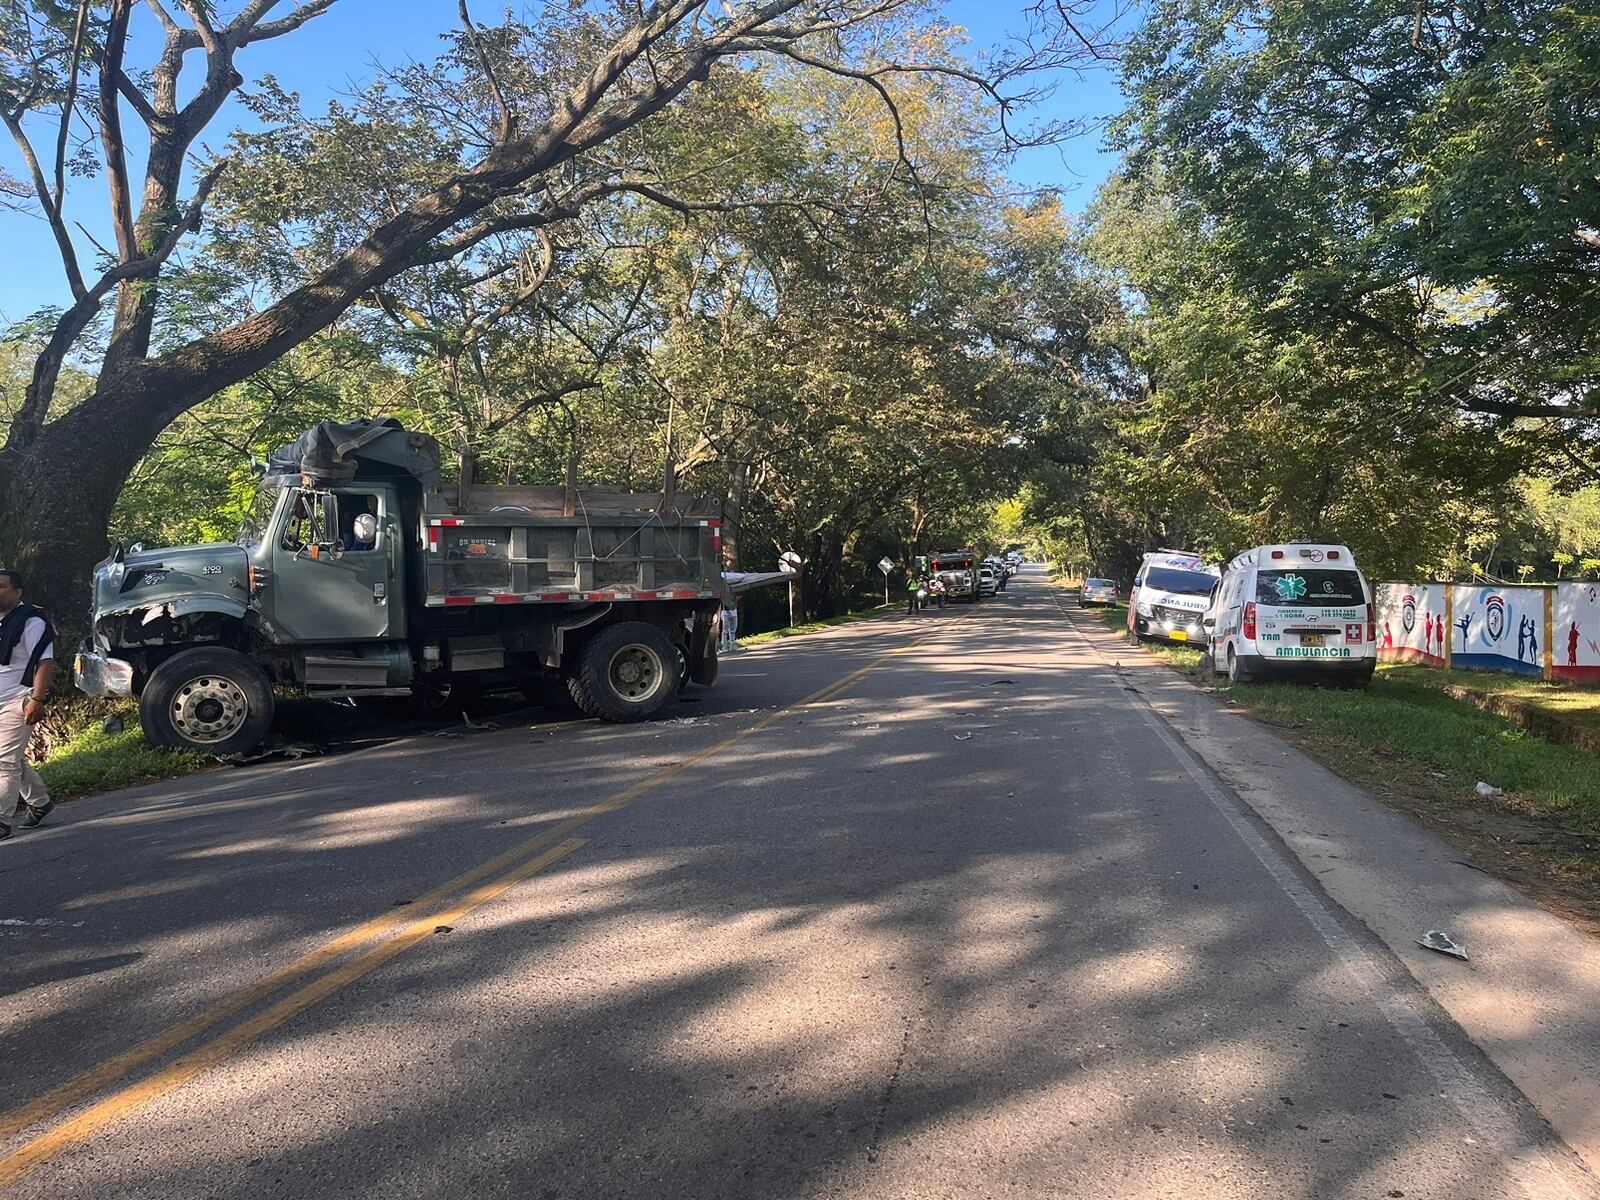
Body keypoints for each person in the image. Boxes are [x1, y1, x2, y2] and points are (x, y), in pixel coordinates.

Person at [0, 569, 56, 841]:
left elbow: (45, 662)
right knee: (13, 759)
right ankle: (41, 803)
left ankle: (0, 820)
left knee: (4, 762)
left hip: (18, 699)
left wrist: (37, 699)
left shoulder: (31, 621)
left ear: (17, 592)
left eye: (1, 586)